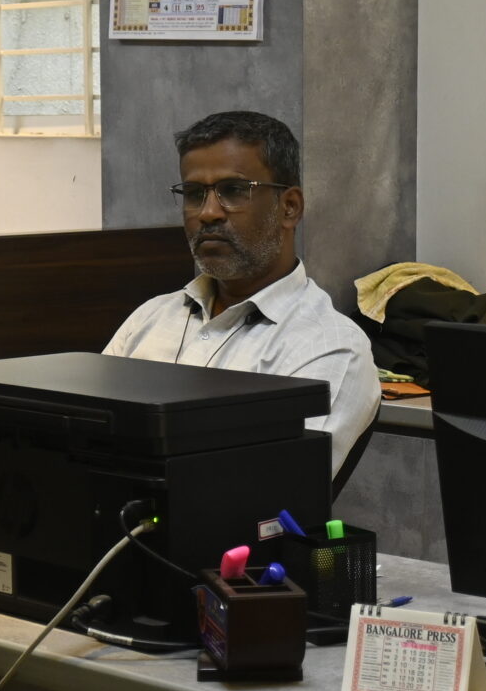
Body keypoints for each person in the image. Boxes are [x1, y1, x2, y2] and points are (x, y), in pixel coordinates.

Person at [105, 110, 381, 478]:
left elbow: (271, 490)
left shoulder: (328, 347)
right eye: (194, 194)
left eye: (233, 191)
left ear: (289, 207)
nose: (208, 213)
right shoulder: (151, 318)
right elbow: (87, 438)